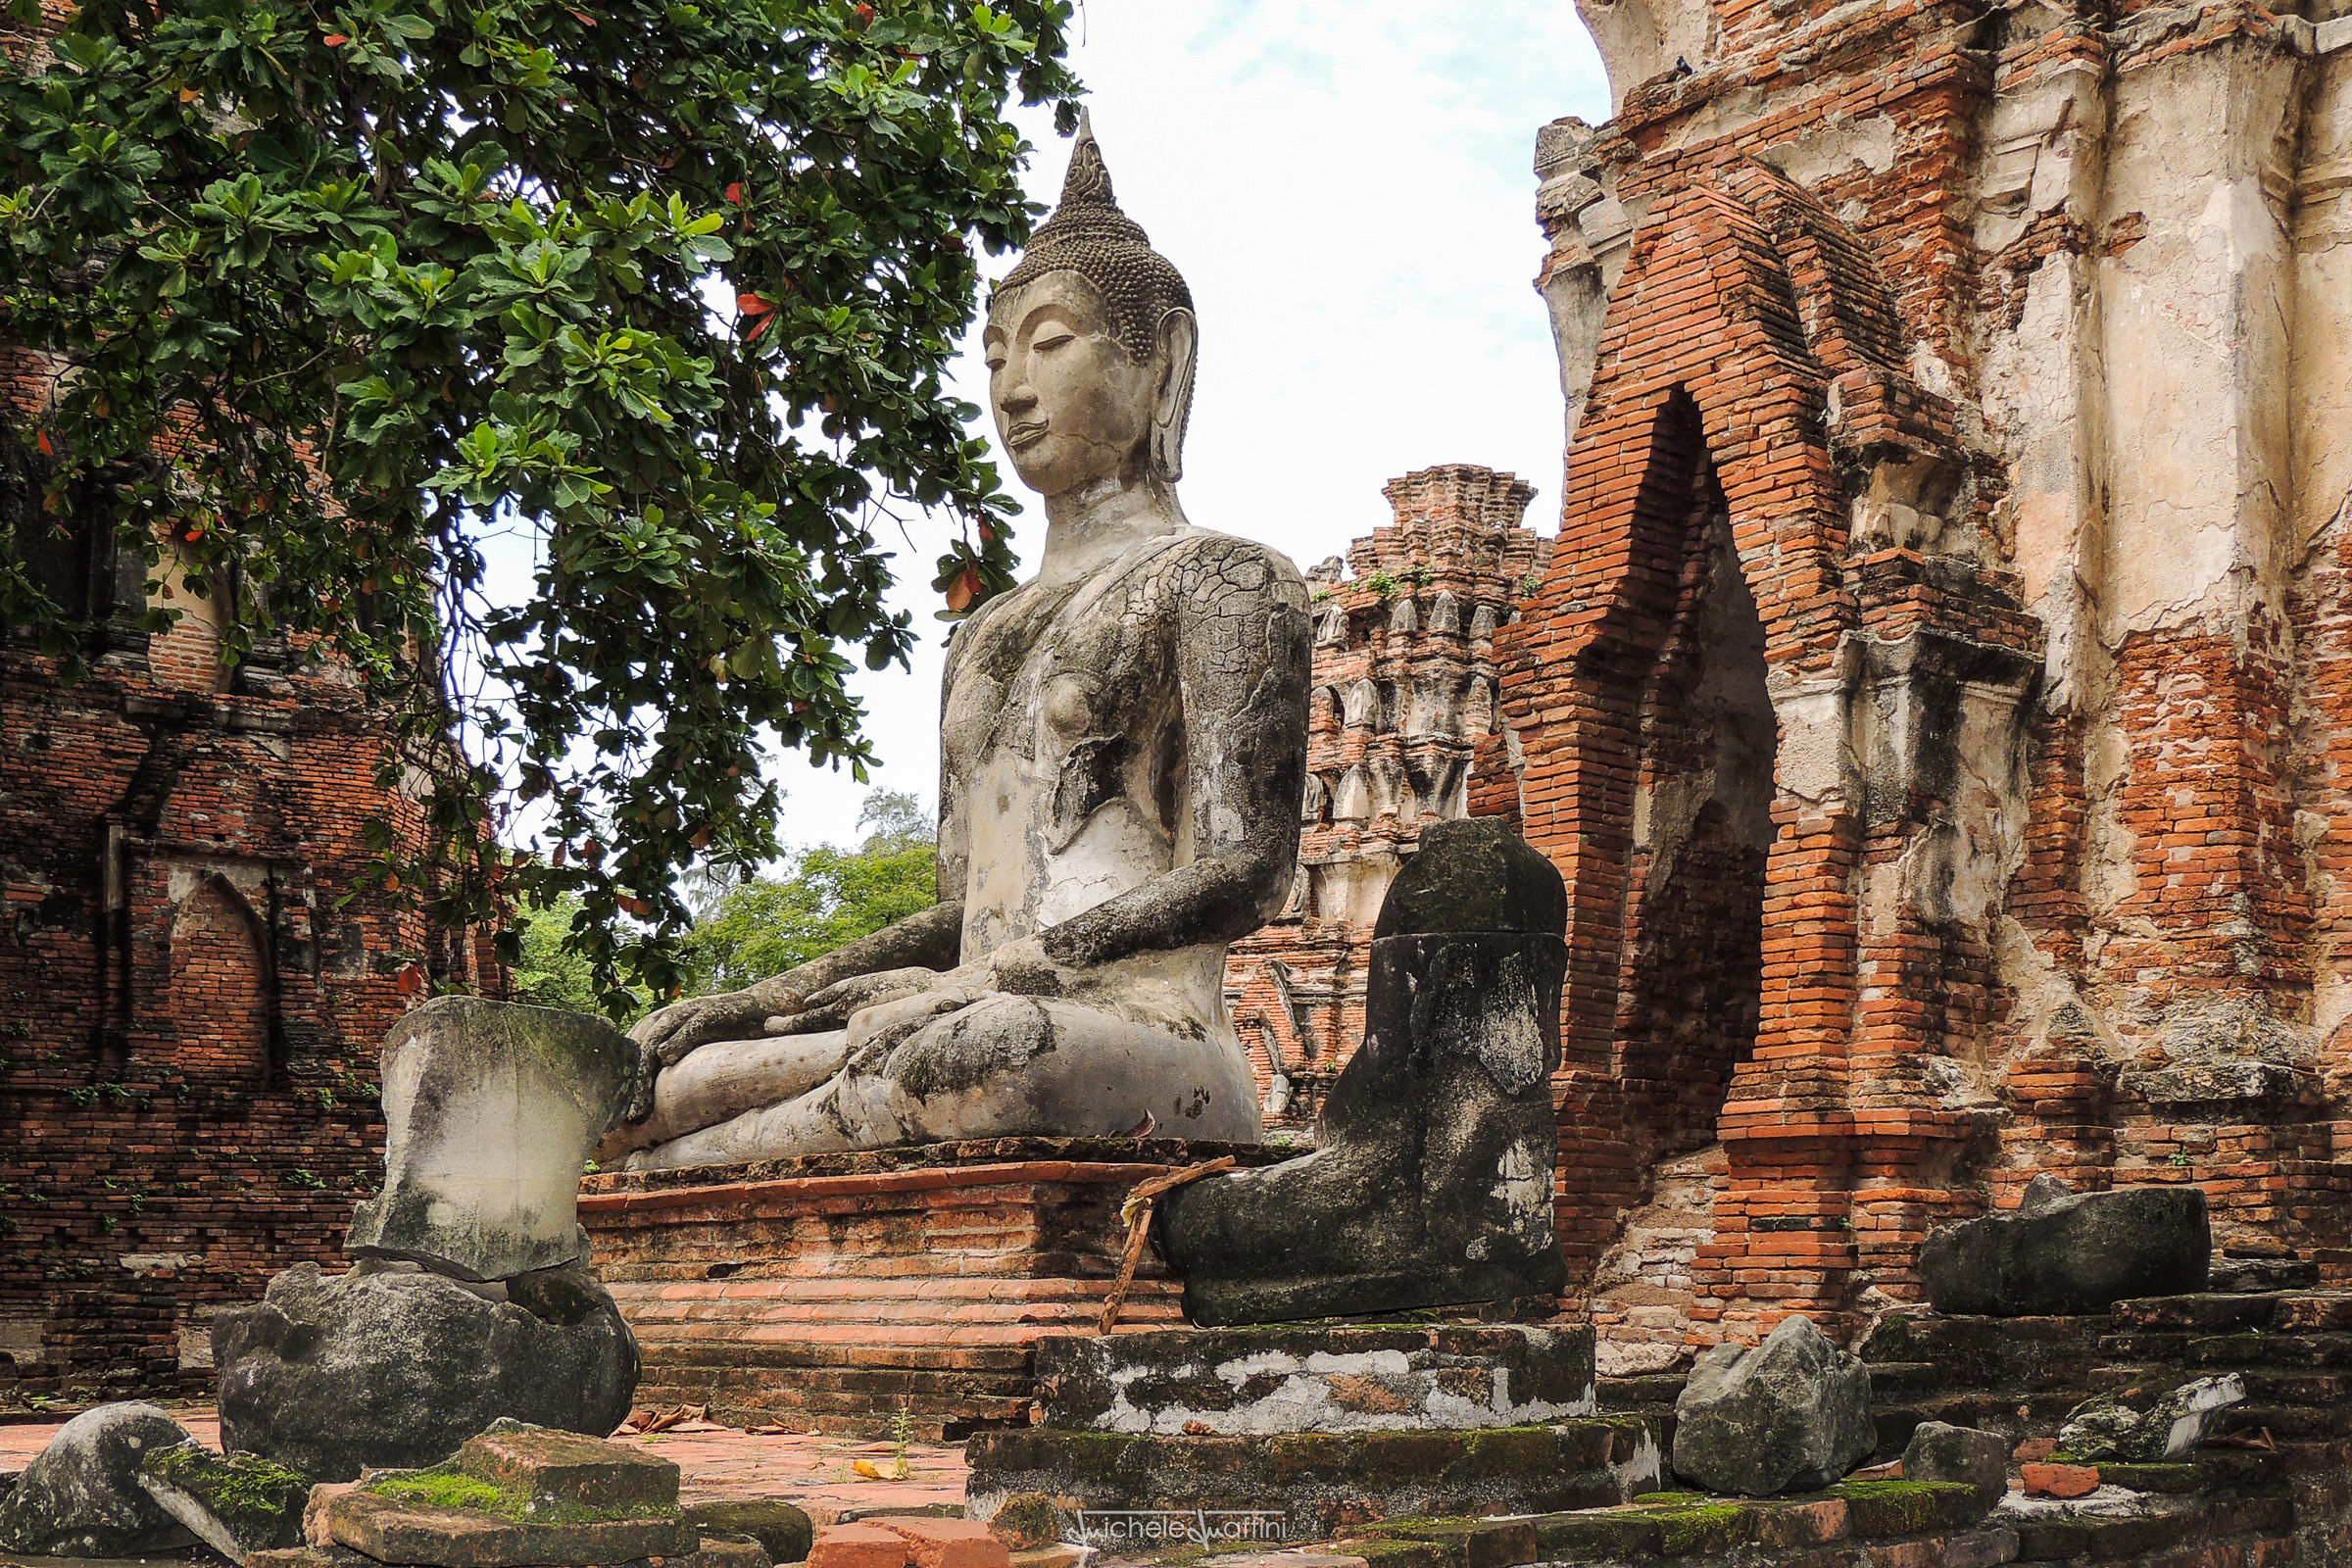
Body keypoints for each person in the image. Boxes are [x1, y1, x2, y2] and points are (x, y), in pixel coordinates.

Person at [601, 117, 1311, 1169]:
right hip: (955, 1008)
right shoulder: (982, 632)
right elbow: (957, 912)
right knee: (662, 1083)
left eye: (1052, 342)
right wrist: (761, 996)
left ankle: (705, 1163)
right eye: (995, 355)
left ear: (1164, 357)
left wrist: (1017, 967)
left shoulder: (1224, 579)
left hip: (1135, 1026)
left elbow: (1249, 867)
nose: (1013, 388)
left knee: (984, 1056)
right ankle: (692, 1154)